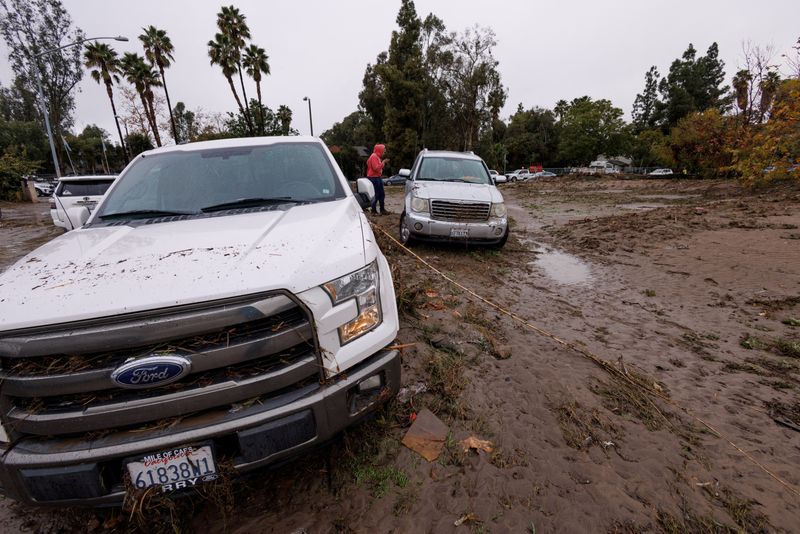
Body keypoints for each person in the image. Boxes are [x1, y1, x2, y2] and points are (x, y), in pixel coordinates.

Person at [366, 143, 390, 215]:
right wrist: (383, 162)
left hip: (377, 177)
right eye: (383, 150)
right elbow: (376, 168)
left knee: (381, 194)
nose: (384, 152)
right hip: (373, 178)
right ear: (380, 150)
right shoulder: (374, 156)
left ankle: (382, 209)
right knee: (376, 194)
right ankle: (373, 211)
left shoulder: (376, 157)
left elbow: (369, 163)